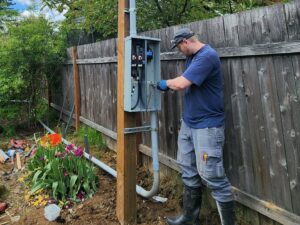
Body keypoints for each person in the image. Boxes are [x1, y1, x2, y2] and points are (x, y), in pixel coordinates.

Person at [157, 28, 235, 225]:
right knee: (188, 169)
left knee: (212, 175)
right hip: (189, 123)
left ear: (185, 42)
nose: (179, 51)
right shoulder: (192, 58)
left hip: (207, 126)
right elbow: (190, 83)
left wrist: (165, 83)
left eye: (179, 47)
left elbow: (182, 84)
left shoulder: (207, 56)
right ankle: (189, 218)